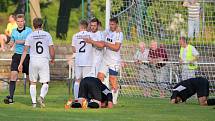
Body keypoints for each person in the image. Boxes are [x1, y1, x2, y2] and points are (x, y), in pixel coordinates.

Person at [18, 18, 55, 108]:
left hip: (33, 61)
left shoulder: (30, 36)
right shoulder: (47, 35)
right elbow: (52, 49)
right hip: (43, 60)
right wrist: (52, 59)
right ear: (42, 25)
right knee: (45, 82)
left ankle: (34, 103)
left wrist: (20, 63)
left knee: (33, 82)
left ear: (33, 25)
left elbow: (25, 51)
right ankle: (41, 97)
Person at [3, 14, 32, 104]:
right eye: (18, 21)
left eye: (21, 21)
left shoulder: (29, 30)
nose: (20, 23)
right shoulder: (14, 31)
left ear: (24, 22)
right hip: (17, 55)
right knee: (13, 75)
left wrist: (18, 42)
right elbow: (12, 40)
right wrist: (10, 44)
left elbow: (29, 42)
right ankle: (11, 98)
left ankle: (33, 99)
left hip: (27, 56)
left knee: (30, 79)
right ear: (16, 22)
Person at [97, 17, 123, 104]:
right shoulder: (107, 31)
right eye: (110, 24)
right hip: (105, 59)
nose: (111, 26)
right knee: (99, 78)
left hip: (114, 61)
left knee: (112, 80)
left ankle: (113, 99)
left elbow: (116, 48)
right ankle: (104, 96)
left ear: (116, 24)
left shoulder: (119, 34)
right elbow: (100, 32)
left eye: (112, 24)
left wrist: (105, 43)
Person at [71, 20, 93, 101]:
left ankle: (76, 98)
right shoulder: (90, 35)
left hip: (78, 60)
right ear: (87, 27)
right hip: (87, 61)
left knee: (77, 80)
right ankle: (86, 99)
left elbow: (73, 50)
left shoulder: (75, 36)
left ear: (80, 26)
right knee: (87, 80)